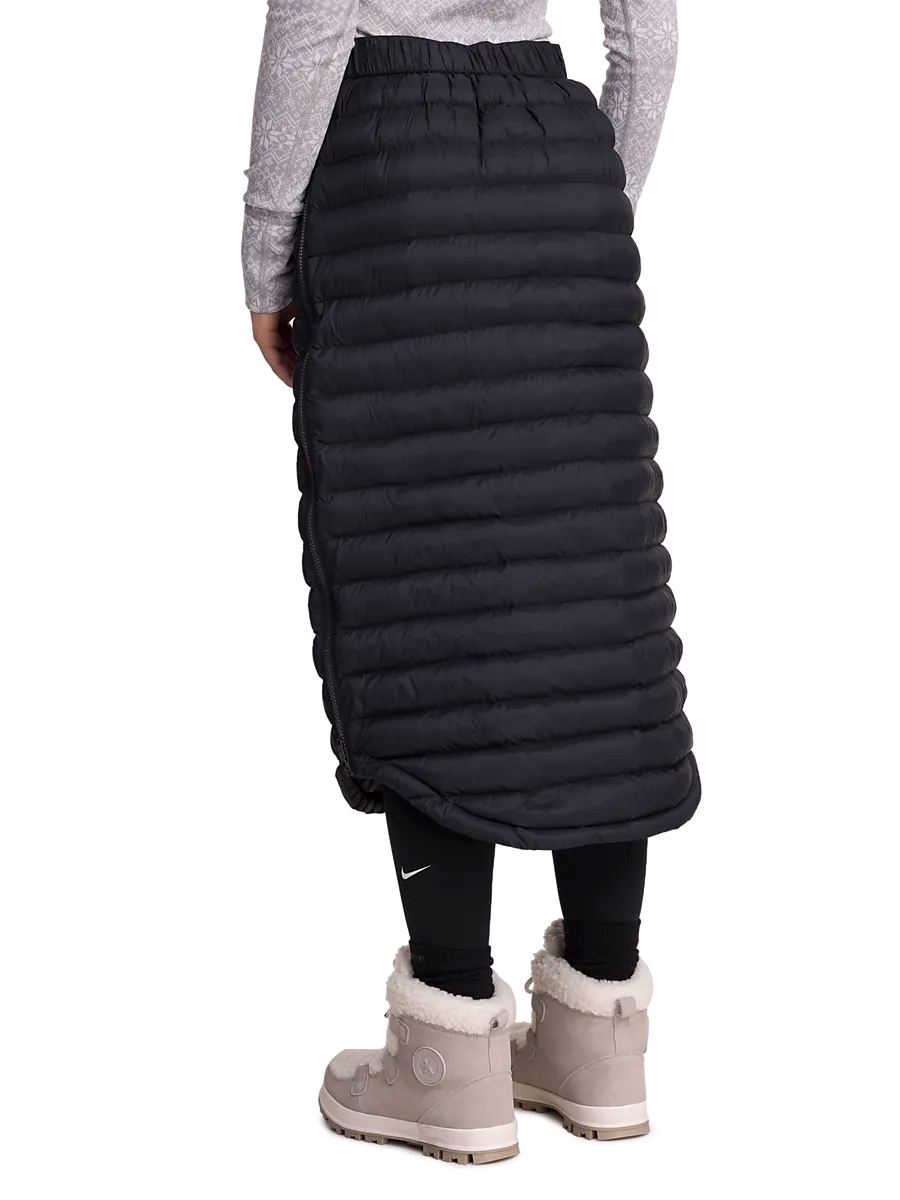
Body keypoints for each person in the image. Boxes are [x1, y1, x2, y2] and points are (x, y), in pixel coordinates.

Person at [244, 1, 691, 1162]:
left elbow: (315, 18)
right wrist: (595, 191)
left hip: (392, 157)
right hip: (558, 151)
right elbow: (645, 22)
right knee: (593, 586)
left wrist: (268, 248)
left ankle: (448, 1054)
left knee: (425, 586)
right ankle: (599, 1035)